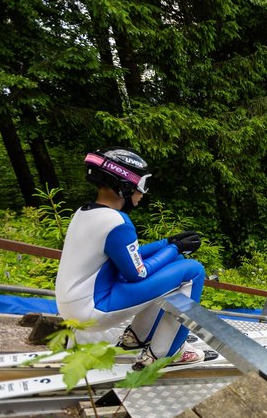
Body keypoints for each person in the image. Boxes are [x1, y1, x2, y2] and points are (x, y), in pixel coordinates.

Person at [55, 146, 206, 367]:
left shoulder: (86, 213)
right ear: (124, 186)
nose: (143, 194)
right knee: (193, 271)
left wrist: (168, 244)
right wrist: (175, 248)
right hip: (93, 309)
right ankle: (166, 353)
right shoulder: (117, 222)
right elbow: (138, 272)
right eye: (142, 186)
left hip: (73, 306)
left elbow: (126, 257)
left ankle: (137, 337)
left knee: (176, 264)